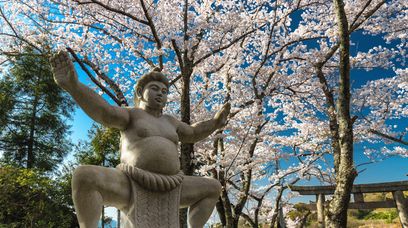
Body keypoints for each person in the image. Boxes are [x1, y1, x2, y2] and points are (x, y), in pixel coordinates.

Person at [50, 51, 230, 228]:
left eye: (165, 91)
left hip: (173, 185)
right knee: (84, 176)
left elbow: (193, 133)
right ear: (140, 91)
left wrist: (215, 123)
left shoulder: (171, 121)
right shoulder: (132, 114)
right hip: (130, 182)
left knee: (213, 187)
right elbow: (105, 112)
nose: (161, 93)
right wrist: (74, 86)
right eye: (154, 88)